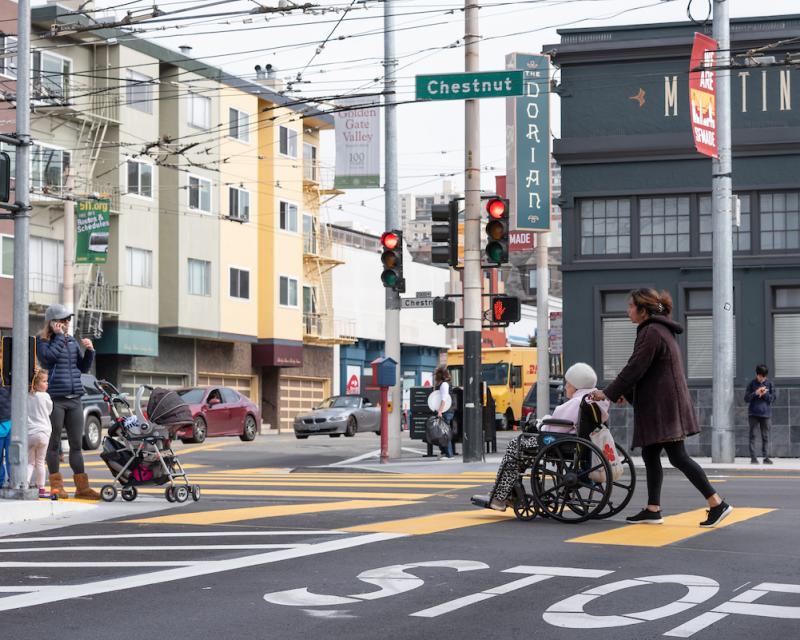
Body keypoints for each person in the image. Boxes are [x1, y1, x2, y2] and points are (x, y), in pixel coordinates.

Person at [590, 288, 733, 528]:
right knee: (651, 453)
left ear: (643, 310)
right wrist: (624, 392)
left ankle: (717, 503)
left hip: (663, 407)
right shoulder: (660, 330)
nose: (628, 311)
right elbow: (648, 371)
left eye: (630, 307)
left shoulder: (652, 332)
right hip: (664, 404)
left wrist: (608, 392)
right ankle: (653, 509)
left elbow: (635, 368)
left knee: (678, 457)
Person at [472, 362, 609, 511]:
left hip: (559, 443)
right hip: (578, 442)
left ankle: (499, 496)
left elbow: (553, 427)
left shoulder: (575, 403)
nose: (565, 387)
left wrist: (539, 423)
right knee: (521, 449)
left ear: (577, 385)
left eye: (567, 384)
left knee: (515, 444)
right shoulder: (594, 400)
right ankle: (509, 492)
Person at [36, 304, 99, 500]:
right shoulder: (42, 341)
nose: (67, 324)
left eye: (68, 320)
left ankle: (82, 488)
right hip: (56, 399)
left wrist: (89, 351)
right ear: (53, 322)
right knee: (53, 445)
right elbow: (47, 359)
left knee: (76, 445)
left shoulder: (71, 341)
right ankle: (57, 488)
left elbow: (82, 368)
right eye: (63, 320)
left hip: (75, 399)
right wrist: (59, 338)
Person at [27, 369, 53, 498]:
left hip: (29, 433)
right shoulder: (45, 396)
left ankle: (24, 485)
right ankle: (41, 488)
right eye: (44, 381)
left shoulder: (27, 396)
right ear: (36, 384)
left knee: (29, 462)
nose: (47, 383)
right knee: (40, 462)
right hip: (43, 432)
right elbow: (49, 411)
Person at [744, 364, 776, 465]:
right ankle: (753, 458)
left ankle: (766, 457)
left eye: (764, 376)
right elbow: (746, 398)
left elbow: (772, 399)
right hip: (753, 413)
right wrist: (756, 393)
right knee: (752, 435)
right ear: (757, 375)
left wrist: (764, 393)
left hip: (766, 414)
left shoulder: (769, 384)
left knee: (765, 436)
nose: (762, 378)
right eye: (760, 376)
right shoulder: (752, 384)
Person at [430, 365, 454, 459]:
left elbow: (444, 398)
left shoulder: (444, 385)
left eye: (437, 374)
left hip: (445, 411)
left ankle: (448, 454)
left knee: (444, 433)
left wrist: (440, 411)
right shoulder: (443, 384)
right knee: (443, 432)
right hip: (445, 410)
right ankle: (445, 453)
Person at [0, 384, 10, 488]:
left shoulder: (7, 375)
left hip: (10, 421)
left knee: (12, 456)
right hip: (8, 420)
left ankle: (14, 480)